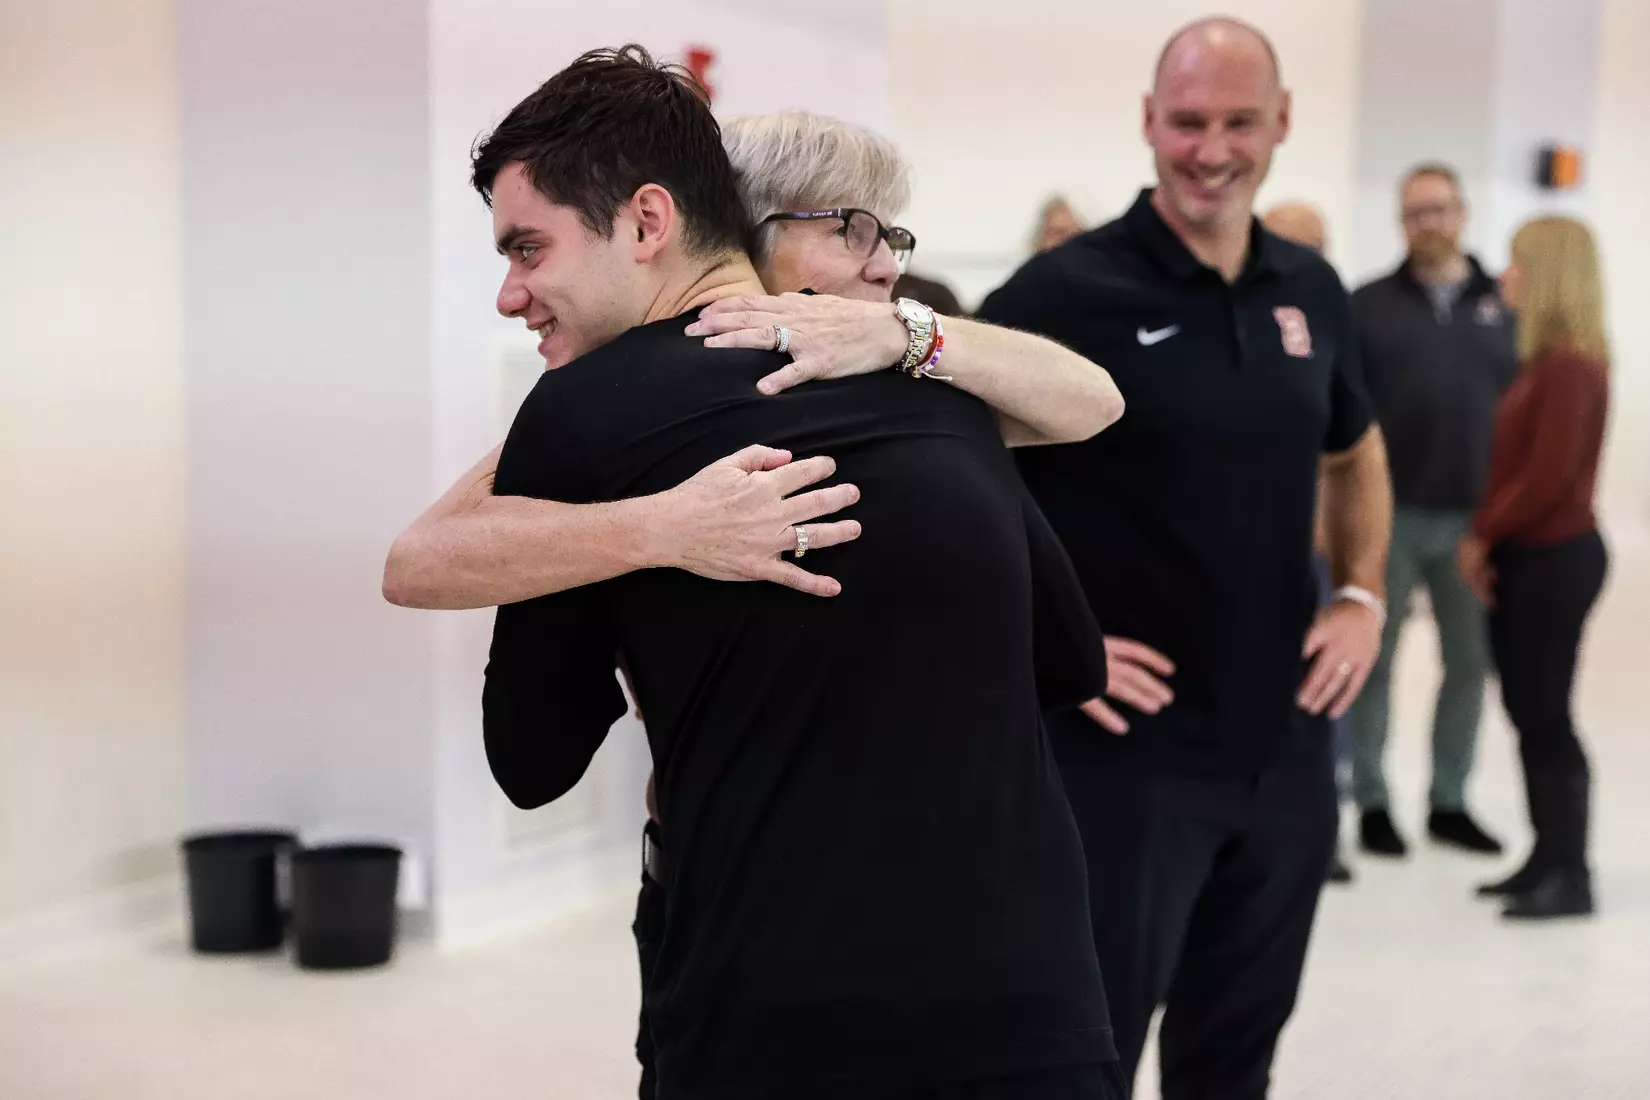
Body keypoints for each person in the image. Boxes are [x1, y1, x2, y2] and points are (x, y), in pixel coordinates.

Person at [464, 50, 1130, 1100]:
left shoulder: (590, 415)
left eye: (527, 249)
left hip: (770, 998)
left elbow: (531, 756)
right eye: (851, 230)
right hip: (1025, 994)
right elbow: (1069, 657)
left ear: (650, 221)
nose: (882, 267)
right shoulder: (950, 407)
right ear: (753, 235)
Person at [976, 19, 1393, 1098]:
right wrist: (1051, 641)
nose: (1212, 149)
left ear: (1282, 123)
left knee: (1233, 1060)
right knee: (1085, 1059)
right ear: (1149, 124)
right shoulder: (1061, 293)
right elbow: (952, 485)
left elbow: (1355, 452)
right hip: (1124, 766)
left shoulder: (1313, 289)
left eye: (1239, 122)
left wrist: (1359, 592)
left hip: (1286, 751)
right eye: (1189, 122)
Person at [1346, 164, 1517, 859]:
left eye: (1439, 210)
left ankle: (1449, 800)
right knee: (1373, 665)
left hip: (1478, 522)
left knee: (1470, 664)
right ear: (1400, 221)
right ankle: (1373, 802)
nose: (1428, 224)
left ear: (1463, 212)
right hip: (1390, 517)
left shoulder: (1506, 303)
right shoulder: (1367, 306)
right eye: (1414, 213)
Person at [1458, 216, 1611, 920]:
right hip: (1531, 554)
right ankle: (1546, 857)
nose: (1505, 276)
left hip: (1554, 556)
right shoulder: (1546, 363)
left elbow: (1547, 477)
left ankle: (1570, 874)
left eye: (1518, 264)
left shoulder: (1571, 368)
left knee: (1547, 716)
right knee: (1529, 711)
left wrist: (1481, 535)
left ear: (1548, 274)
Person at [1262, 200, 1353, 886]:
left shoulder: (1329, 317)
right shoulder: (1243, 319)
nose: (1308, 256)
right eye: (1296, 242)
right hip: (1248, 552)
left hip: (1316, 549)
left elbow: (1352, 441)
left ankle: (1328, 818)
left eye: (1318, 243)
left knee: (1326, 684)